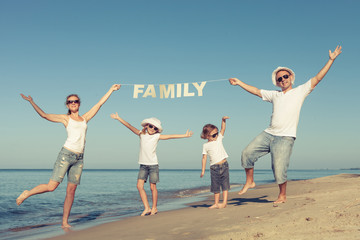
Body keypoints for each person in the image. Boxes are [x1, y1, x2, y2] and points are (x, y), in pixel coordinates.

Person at [229, 46, 342, 204]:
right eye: (279, 79)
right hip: (268, 133)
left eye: (285, 76)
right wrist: (239, 82)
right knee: (246, 154)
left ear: (291, 77)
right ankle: (250, 181)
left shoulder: (300, 91)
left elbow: (318, 78)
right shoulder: (275, 95)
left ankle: (282, 195)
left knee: (279, 169)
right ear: (276, 82)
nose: (283, 80)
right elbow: (255, 91)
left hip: (285, 137)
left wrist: (331, 60)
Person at [16, 84, 121, 228]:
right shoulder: (65, 119)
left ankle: (65, 222)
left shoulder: (85, 118)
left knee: (71, 191)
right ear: (67, 105)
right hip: (66, 155)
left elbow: (100, 104)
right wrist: (31, 101)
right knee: (52, 186)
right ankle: (27, 193)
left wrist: (111, 90)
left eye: (75, 101)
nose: (73, 103)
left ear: (79, 104)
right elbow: (44, 115)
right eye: (70, 101)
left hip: (79, 159)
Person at [110, 113, 193, 216]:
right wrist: (118, 118)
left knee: (153, 187)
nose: (152, 129)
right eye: (151, 126)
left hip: (153, 165)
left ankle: (154, 208)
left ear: (157, 130)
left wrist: (184, 135)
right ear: (146, 125)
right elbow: (129, 126)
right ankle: (147, 208)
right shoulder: (141, 134)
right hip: (143, 165)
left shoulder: (157, 136)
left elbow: (171, 136)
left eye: (155, 128)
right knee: (139, 186)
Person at [200, 116, 230, 209]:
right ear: (207, 136)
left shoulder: (219, 139)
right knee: (216, 187)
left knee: (225, 185)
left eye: (216, 134)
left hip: (224, 165)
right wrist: (203, 170)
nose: (216, 136)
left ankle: (224, 203)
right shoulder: (205, 145)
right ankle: (216, 203)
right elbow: (204, 158)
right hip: (214, 168)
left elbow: (223, 128)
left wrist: (223, 120)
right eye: (213, 135)